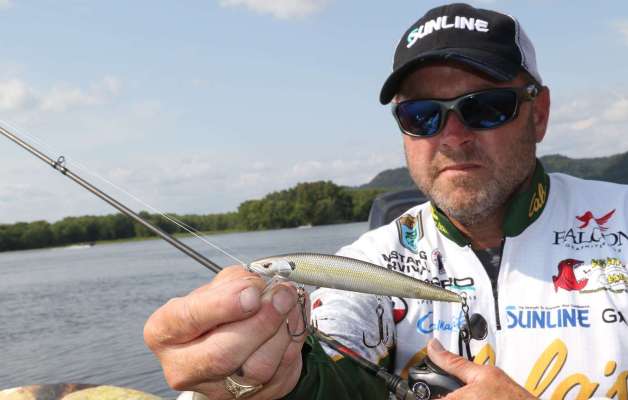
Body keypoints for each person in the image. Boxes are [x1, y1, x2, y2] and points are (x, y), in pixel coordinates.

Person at [144, 3, 628, 399]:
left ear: (538, 114)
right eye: (422, 115)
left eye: (485, 107)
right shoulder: (369, 262)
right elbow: (325, 365)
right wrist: (261, 377)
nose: (452, 137)